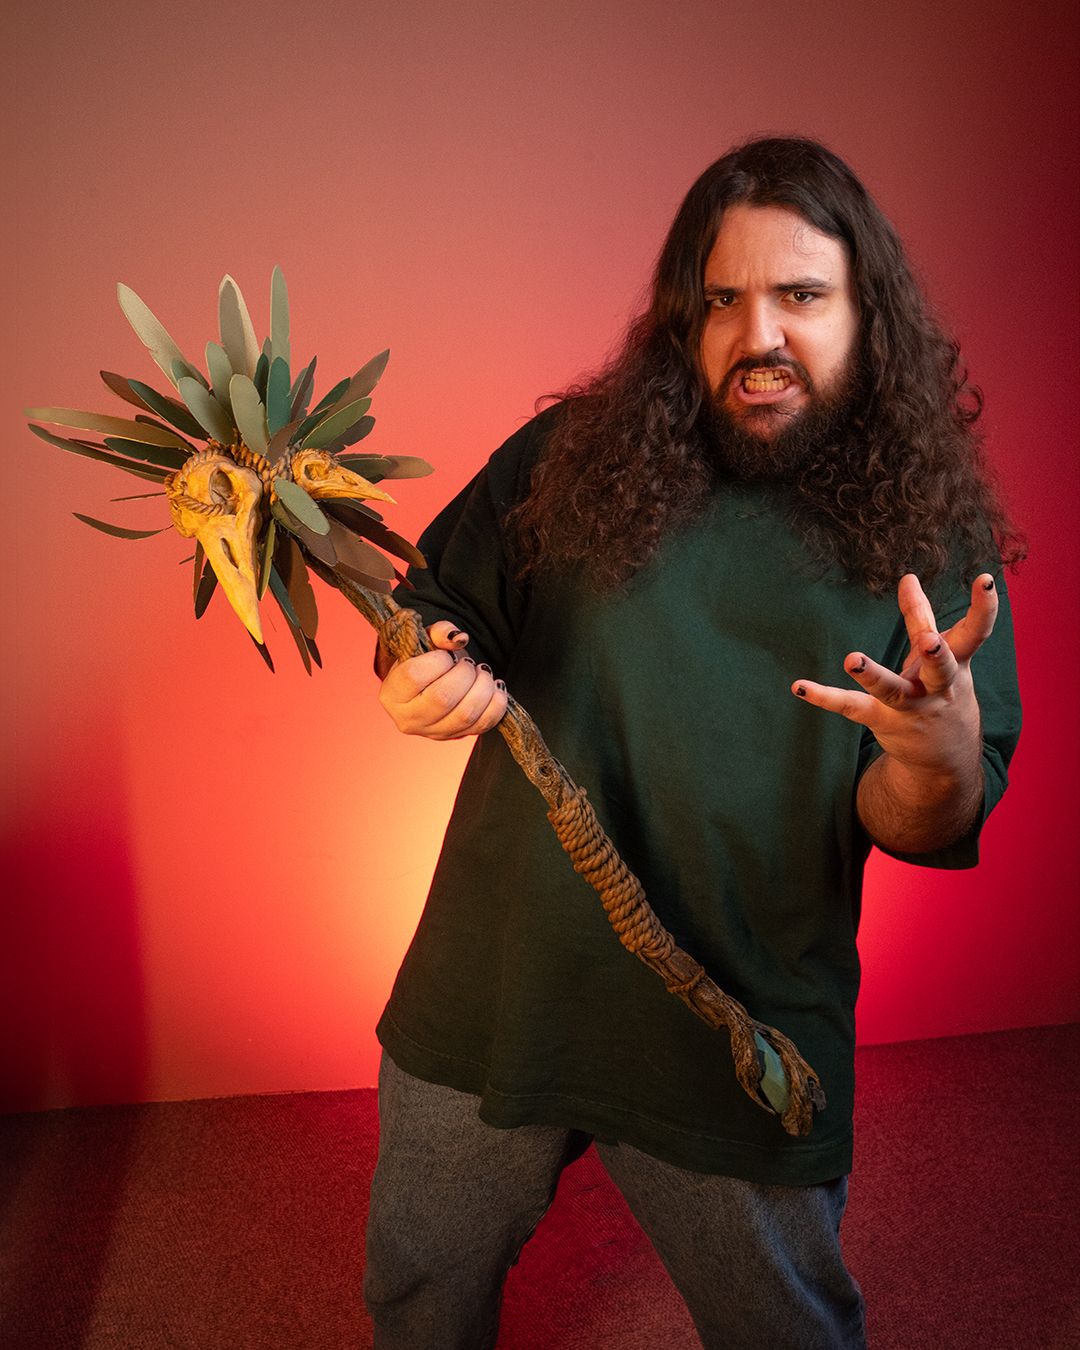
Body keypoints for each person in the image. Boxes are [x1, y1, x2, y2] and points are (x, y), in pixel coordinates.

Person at [363, 136, 1023, 1349]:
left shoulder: (933, 537)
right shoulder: (569, 459)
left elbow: (924, 821)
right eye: (723, 299)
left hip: (737, 1016)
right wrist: (418, 674)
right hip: (501, 975)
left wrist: (932, 756)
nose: (757, 334)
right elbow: (435, 612)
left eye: (801, 295)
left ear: (868, 313)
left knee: (787, 1330)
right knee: (418, 1291)